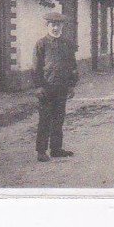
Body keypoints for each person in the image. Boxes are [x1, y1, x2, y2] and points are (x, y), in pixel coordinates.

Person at [32, 11, 78, 162]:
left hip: (62, 88)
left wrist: (71, 85)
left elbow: (73, 66)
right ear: (47, 26)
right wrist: (38, 86)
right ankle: (41, 151)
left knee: (59, 119)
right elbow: (36, 68)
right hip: (46, 88)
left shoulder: (67, 44)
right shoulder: (41, 44)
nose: (55, 28)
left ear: (62, 26)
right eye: (52, 25)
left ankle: (56, 149)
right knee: (45, 119)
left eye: (58, 25)